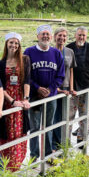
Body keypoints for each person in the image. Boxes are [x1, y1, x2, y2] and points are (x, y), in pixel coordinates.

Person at [24, 24, 65, 158]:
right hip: (35, 96)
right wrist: (37, 88)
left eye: (48, 34)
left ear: (51, 37)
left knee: (48, 126)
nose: (45, 36)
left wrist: (50, 89)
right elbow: (25, 75)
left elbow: (61, 75)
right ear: (37, 36)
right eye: (43, 34)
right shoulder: (29, 52)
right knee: (35, 127)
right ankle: (34, 155)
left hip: (50, 95)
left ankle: (47, 154)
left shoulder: (56, 53)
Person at [0, 32, 31, 172]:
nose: (13, 45)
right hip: (6, 101)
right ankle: (7, 165)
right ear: (6, 44)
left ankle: (17, 164)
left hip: (21, 99)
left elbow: (27, 81)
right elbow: (0, 87)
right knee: (6, 133)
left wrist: (25, 99)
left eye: (16, 43)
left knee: (19, 132)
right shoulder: (0, 64)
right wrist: (12, 101)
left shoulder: (25, 60)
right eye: (11, 42)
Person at [66, 26, 89, 142]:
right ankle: (66, 140)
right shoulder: (69, 48)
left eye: (84, 35)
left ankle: (82, 138)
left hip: (86, 86)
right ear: (75, 35)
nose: (81, 37)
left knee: (84, 114)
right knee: (69, 115)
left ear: (86, 36)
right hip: (71, 87)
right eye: (79, 34)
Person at [52, 27, 76, 148]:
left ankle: (63, 141)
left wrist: (71, 88)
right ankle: (54, 144)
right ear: (55, 37)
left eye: (64, 36)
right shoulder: (50, 51)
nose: (62, 38)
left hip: (66, 88)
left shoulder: (70, 52)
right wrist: (55, 89)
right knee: (54, 117)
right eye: (59, 35)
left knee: (64, 116)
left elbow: (71, 70)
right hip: (54, 89)